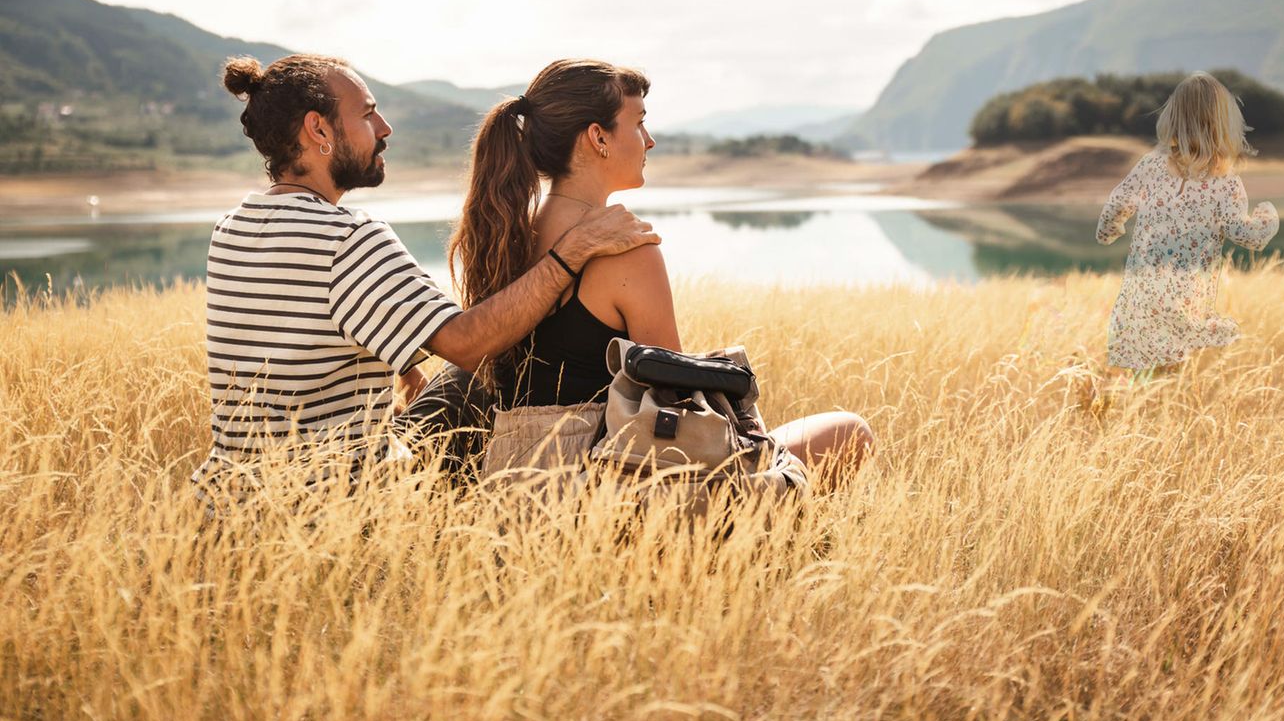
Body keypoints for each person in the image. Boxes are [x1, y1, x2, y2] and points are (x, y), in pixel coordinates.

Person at [193, 54, 657, 487]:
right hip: (330, 500)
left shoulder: (232, 227)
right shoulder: (348, 237)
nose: (385, 128)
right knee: (471, 380)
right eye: (368, 115)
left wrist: (402, 364)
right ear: (319, 129)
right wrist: (570, 253)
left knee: (452, 384)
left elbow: (300, 325)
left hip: (232, 494)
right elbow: (468, 346)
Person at [437, 58, 874, 482]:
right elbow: (680, 403)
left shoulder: (507, 237)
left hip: (511, 482)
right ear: (598, 137)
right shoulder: (627, 251)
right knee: (847, 432)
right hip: (603, 484)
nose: (649, 140)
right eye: (639, 122)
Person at [1096, 71, 1279, 375]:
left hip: (1142, 294)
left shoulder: (1151, 165)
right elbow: (1247, 235)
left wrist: (1108, 232)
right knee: (1174, 374)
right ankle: (1165, 402)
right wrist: (1267, 216)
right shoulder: (1224, 182)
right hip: (1185, 299)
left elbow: (1118, 202)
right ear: (1224, 125)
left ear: (1171, 118)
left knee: (1144, 371)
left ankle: (1145, 402)